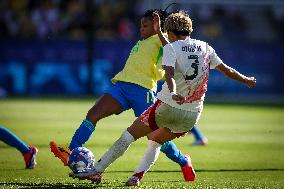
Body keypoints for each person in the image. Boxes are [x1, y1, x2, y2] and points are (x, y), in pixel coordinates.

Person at [68, 10, 256, 186]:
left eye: (145, 25)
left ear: (169, 32)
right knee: (153, 140)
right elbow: (227, 70)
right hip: (185, 110)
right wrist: (246, 80)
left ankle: (100, 169)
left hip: (154, 97)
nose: (141, 28)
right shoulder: (205, 47)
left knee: (133, 136)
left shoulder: (167, 45)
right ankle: (132, 173)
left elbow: (169, 72)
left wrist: (172, 90)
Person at [50, 7, 196, 181]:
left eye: (145, 25)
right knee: (93, 114)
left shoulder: (160, 39)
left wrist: (160, 31)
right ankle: (73, 151)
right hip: (122, 87)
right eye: (141, 25)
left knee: (155, 137)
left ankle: (183, 160)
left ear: (157, 26)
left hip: (143, 92)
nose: (141, 28)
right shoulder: (141, 42)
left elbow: (174, 49)